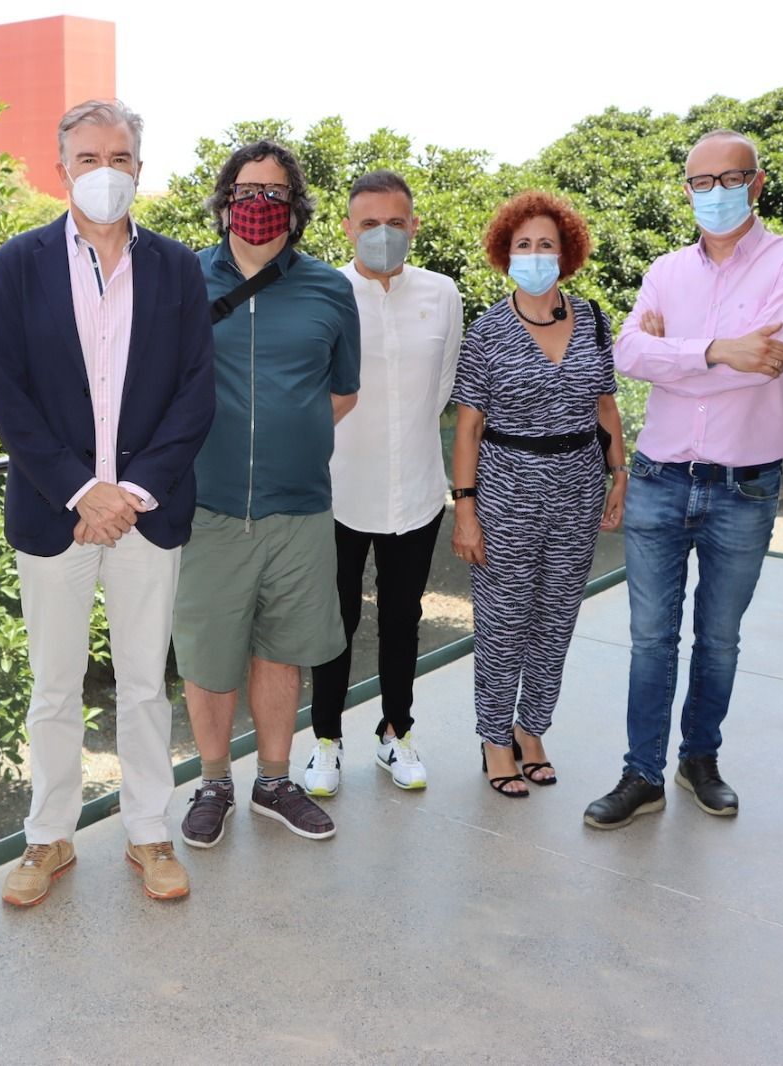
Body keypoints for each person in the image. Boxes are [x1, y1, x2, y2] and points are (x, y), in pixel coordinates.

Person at [0, 100, 215, 905]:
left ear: (139, 170)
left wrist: (132, 494)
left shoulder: (180, 269)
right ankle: (48, 839)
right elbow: (5, 394)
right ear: (62, 169)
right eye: (88, 158)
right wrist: (85, 491)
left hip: (149, 514)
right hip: (56, 513)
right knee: (54, 685)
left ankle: (149, 832)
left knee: (147, 682)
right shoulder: (17, 265)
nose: (104, 172)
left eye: (119, 157)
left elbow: (195, 395)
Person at [584, 130, 783, 829]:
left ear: (758, 182)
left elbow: (769, 359)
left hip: (744, 484)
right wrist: (719, 351)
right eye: (701, 181)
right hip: (660, 476)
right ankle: (640, 775)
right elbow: (628, 353)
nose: (715, 193)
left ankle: (700, 759)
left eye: (731, 178)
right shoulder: (664, 272)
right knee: (652, 637)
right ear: (687, 189)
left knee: (719, 637)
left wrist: (676, 355)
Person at [174, 140, 361, 847]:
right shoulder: (182, 279)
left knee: (282, 652)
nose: (259, 204)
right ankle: (214, 781)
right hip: (208, 508)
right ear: (224, 200)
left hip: (301, 508)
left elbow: (343, 391)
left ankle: (275, 781)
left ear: (296, 206)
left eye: (275, 193)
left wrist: (291, 431)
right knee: (209, 656)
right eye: (246, 191)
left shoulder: (327, 288)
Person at [449, 191, 627, 798]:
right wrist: (465, 510)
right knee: (503, 620)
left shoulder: (595, 318)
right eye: (523, 245)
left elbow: (605, 403)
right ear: (505, 254)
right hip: (506, 486)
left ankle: (533, 729)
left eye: (545, 244)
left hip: (579, 483)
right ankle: (495, 738)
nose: (535, 254)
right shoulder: (488, 330)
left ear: (566, 252)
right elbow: (468, 426)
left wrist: (618, 472)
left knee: (556, 618)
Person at [302, 169, 463, 796]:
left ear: (414, 226)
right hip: (337, 490)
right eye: (368, 223)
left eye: (396, 223)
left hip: (417, 489)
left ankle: (396, 733)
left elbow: (444, 386)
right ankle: (325, 741)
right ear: (346, 228)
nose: (382, 234)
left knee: (404, 617)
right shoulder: (322, 291)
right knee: (332, 621)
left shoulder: (442, 294)